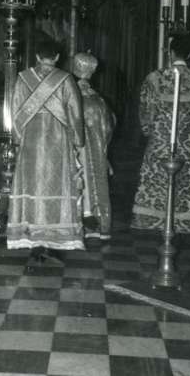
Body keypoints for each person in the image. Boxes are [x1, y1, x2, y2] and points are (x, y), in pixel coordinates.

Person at [7, 39, 85, 258]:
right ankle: (55, 239)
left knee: (32, 185)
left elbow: (15, 112)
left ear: (37, 56)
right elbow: (75, 113)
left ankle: (31, 237)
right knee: (57, 186)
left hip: (31, 139)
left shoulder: (23, 78)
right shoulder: (66, 79)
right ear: (57, 57)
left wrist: (18, 139)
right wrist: (78, 141)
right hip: (58, 140)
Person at [132, 35, 190, 234]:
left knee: (155, 177)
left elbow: (146, 111)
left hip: (160, 139)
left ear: (170, 53)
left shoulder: (154, 78)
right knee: (189, 179)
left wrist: (149, 131)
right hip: (188, 141)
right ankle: (189, 222)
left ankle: (151, 219)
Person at [73, 51, 116, 240]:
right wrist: (103, 147)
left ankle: (75, 223)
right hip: (96, 150)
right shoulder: (99, 100)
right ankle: (98, 223)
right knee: (94, 184)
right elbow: (110, 125)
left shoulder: (69, 97)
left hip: (75, 149)